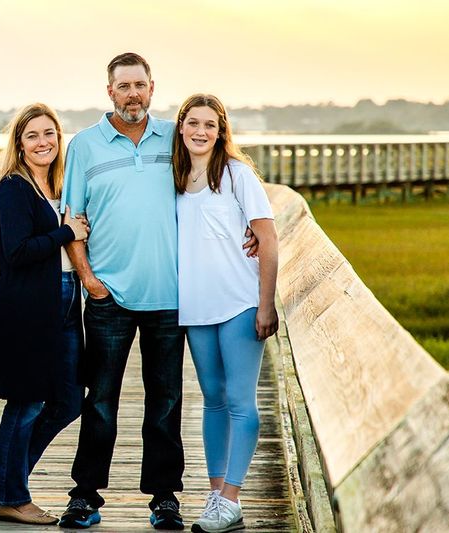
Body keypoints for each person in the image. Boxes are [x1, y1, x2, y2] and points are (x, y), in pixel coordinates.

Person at [59, 52, 258, 531]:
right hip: (109, 297)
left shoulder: (174, 136)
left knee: (166, 402)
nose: (132, 94)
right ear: (110, 91)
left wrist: (251, 227)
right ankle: (85, 496)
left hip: (172, 297)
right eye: (123, 86)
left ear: (152, 88)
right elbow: (72, 221)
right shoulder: (85, 145)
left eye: (140, 85)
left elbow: (219, 175)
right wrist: (88, 279)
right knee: (100, 399)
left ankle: (164, 497)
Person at [0, 103, 89, 525]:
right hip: (26, 305)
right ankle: (11, 495)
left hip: (63, 300)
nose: (43, 143)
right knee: (25, 401)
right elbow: (17, 253)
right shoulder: (12, 189)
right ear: (20, 145)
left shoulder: (58, 186)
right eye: (33, 136)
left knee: (67, 401)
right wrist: (65, 231)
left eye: (50, 134)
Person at [173, 94, 279, 533]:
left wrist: (266, 303)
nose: (201, 131)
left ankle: (233, 496)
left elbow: (268, 240)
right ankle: (217, 496)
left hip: (239, 302)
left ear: (221, 132)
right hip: (196, 307)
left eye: (210, 126)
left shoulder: (237, 175)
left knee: (239, 400)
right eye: (193, 123)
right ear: (181, 127)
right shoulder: (174, 176)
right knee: (212, 400)